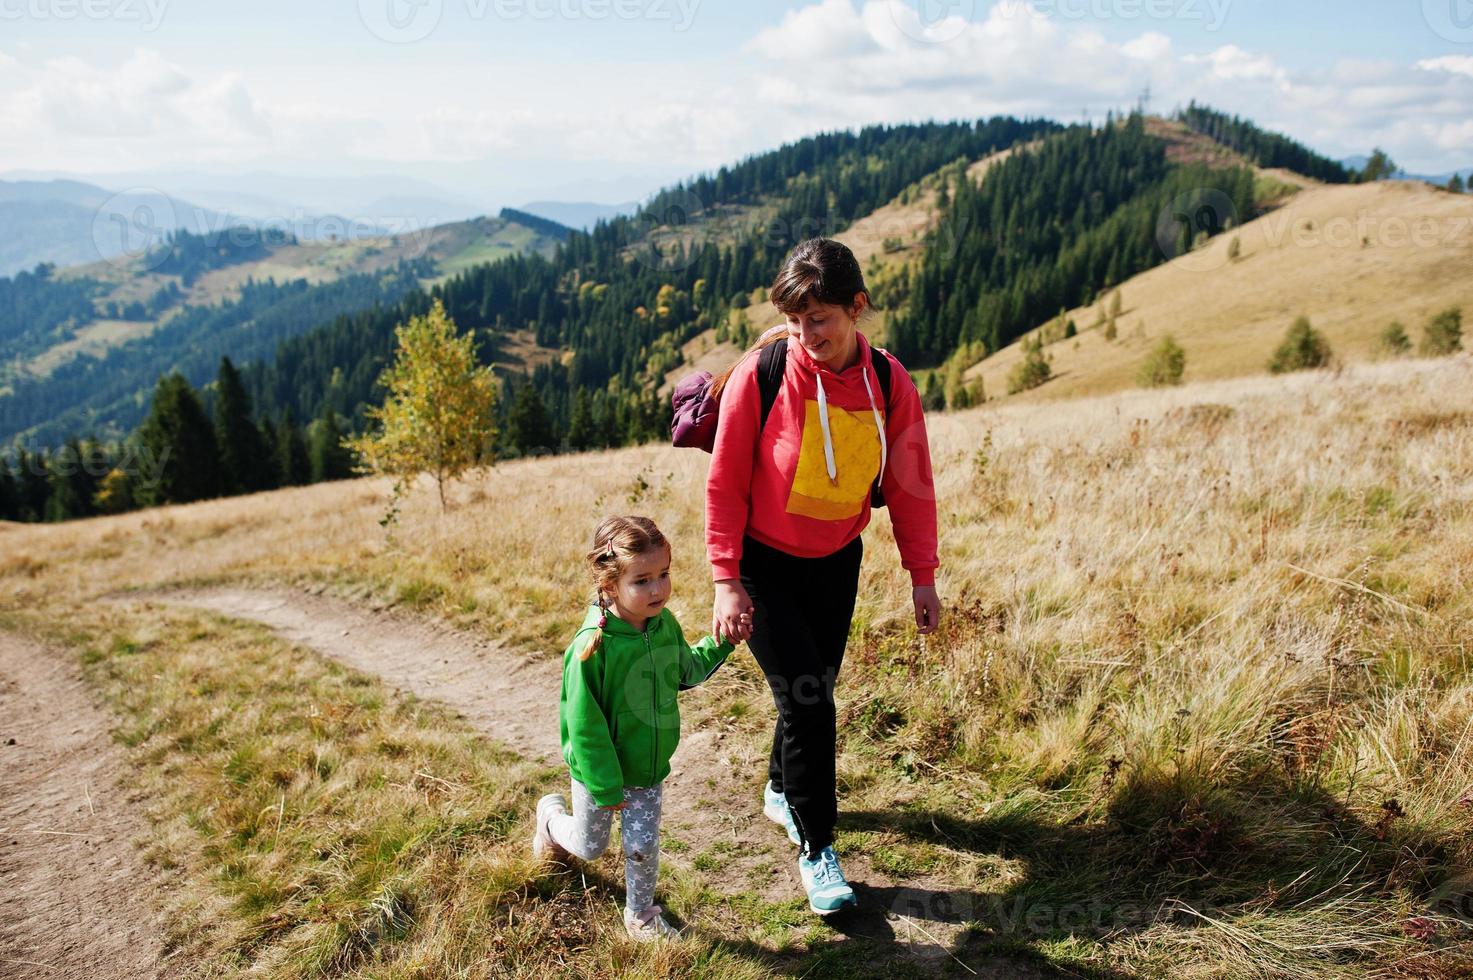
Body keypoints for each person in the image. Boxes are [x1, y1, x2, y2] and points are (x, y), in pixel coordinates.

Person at [705, 237, 941, 916]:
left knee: (811, 688)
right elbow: (723, 483)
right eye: (794, 320)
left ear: (856, 308)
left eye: (820, 320)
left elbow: (910, 485)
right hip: (761, 564)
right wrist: (726, 578)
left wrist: (921, 575)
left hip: (836, 562)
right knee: (809, 703)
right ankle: (817, 849)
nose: (805, 335)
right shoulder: (764, 372)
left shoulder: (890, 384)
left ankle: (781, 790)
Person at [531, 515, 743, 942]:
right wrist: (606, 788)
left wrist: (724, 639)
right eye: (642, 580)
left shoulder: (664, 626)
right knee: (592, 847)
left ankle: (640, 915)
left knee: (642, 849)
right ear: (609, 584)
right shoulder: (591, 647)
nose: (658, 589)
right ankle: (551, 820)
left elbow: (686, 671)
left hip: (647, 771)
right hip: (601, 775)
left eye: (663, 574)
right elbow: (585, 728)